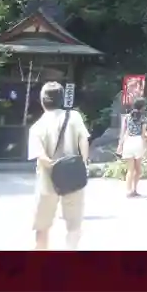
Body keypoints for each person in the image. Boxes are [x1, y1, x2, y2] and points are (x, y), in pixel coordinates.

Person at [27, 81, 91, 251]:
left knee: (42, 226)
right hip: (73, 176)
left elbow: (40, 156)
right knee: (74, 225)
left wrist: (54, 165)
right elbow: (84, 141)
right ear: (62, 99)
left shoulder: (36, 127)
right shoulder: (74, 117)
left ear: (42, 101)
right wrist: (82, 163)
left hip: (47, 179)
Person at [117, 97, 147, 198]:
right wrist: (146, 147)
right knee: (138, 170)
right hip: (138, 142)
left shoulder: (127, 117)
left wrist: (120, 146)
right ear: (143, 107)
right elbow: (143, 135)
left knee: (130, 170)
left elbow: (123, 133)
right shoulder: (144, 118)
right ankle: (134, 189)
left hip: (128, 142)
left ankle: (128, 190)